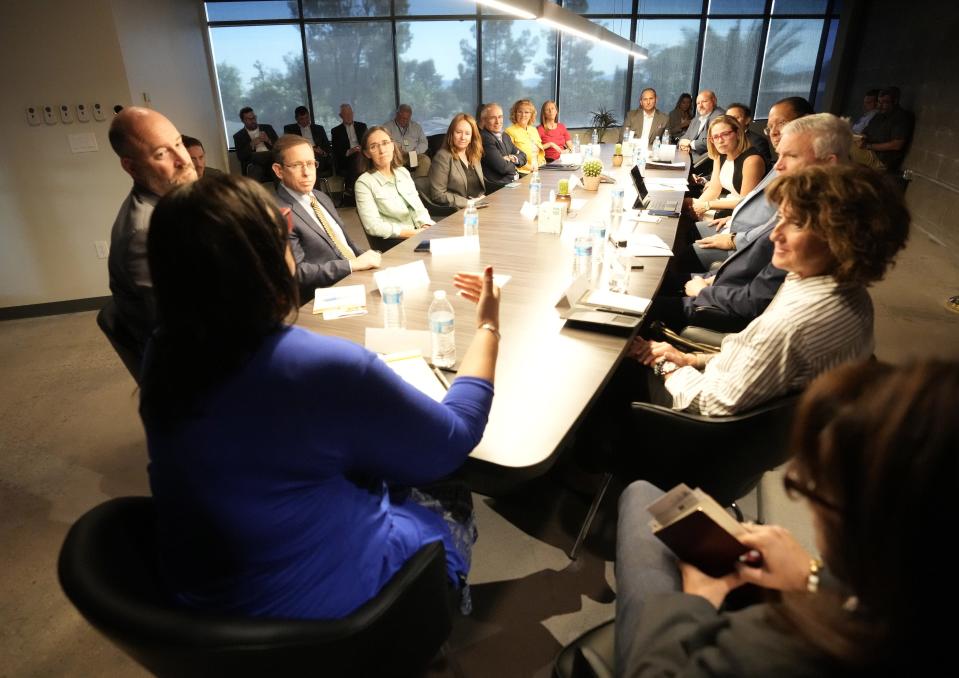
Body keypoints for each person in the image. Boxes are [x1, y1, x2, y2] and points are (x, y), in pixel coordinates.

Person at [141, 171, 502, 621]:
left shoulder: (161, 354)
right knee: (446, 490)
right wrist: (488, 325)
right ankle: (433, 624)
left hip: (207, 617)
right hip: (331, 629)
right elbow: (454, 440)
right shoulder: (318, 366)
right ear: (269, 262)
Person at [615, 358, 959, 675]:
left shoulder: (769, 651)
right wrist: (812, 577)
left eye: (818, 489)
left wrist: (697, 599)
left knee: (640, 495)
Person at [629, 163, 909, 418]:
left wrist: (664, 366)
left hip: (697, 427)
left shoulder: (796, 323)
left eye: (795, 223)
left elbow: (711, 402)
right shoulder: (848, 292)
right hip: (721, 382)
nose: (775, 235)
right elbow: (759, 363)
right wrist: (692, 358)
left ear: (844, 238)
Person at [650, 98, 818, 332]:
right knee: (660, 281)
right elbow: (753, 208)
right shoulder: (789, 224)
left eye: (783, 124)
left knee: (653, 300)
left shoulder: (801, 231)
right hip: (729, 264)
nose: (778, 167)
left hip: (726, 291)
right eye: (771, 127)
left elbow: (752, 300)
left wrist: (707, 287)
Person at [106, 107, 197, 373]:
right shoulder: (146, 232)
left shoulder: (174, 202)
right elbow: (184, 329)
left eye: (179, 143)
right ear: (131, 167)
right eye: (161, 154)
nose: (183, 159)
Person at [271, 134, 380, 300]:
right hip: (325, 294)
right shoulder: (279, 212)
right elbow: (298, 272)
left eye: (310, 164)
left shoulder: (320, 197)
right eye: (297, 165)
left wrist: (367, 256)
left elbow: (344, 243)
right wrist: (351, 265)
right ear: (279, 170)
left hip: (355, 277)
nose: (307, 172)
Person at [354, 126, 434, 249]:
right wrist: (415, 234)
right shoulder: (364, 183)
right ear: (367, 153)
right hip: (396, 243)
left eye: (385, 143)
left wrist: (426, 226)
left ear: (392, 145)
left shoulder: (403, 172)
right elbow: (373, 226)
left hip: (420, 236)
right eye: (374, 146)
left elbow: (418, 208)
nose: (382, 150)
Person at [689, 115, 765, 228]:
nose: (720, 140)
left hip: (739, 213)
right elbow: (714, 189)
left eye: (725, 134)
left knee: (686, 213)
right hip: (725, 203)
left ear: (738, 134)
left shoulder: (752, 160)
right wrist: (697, 208)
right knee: (686, 204)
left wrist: (706, 205)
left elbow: (744, 202)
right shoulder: (720, 156)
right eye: (715, 137)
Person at [429, 113, 485, 209]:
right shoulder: (443, 157)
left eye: (467, 133)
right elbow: (437, 195)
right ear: (451, 133)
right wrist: (468, 203)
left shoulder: (474, 154)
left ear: (472, 137)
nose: (463, 137)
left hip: (481, 205)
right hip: (460, 211)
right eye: (458, 132)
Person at [858, 86, 914, 172]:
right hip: (868, 152)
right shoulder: (878, 115)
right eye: (879, 102)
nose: (880, 106)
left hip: (881, 161)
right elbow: (865, 131)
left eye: (885, 103)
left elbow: (897, 145)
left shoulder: (901, 118)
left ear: (895, 101)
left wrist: (869, 146)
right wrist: (861, 138)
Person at [479, 103, 526, 193]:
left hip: (513, 182)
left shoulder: (505, 136)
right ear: (484, 120)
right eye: (493, 118)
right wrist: (513, 159)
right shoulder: (485, 138)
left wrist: (511, 158)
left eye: (500, 117)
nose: (498, 121)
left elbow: (523, 156)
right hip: (499, 187)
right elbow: (503, 167)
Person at [383, 103, 431, 177]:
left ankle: (417, 182)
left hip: (412, 155)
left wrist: (416, 151)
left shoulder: (416, 127)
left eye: (407, 118)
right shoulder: (387, 127)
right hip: (396, 155)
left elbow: (424, 143)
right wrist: (395, 149)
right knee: (390, 164)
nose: (405, 120)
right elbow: (384, 143)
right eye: (402, 118)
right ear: (397, 115)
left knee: (425, 161)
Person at [283, 105, 332, 176]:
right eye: (302, 119)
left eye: (307, 118)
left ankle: (311, 185)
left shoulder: (319, 128)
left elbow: (327, 147)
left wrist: (322, 152)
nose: (305, 121)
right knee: (310, 164)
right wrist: (311, 149)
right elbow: (289, 147)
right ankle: (315, 186)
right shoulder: (290, 129)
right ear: (296, 119)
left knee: (313, 161)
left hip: (319, 156)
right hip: (300, 157)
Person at [330, 103, 368, 196]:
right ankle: (358, 192)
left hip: (362, 155)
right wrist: (350, 151)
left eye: (350, 113)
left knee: (359, 155)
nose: (349, 116)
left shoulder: (362, 126)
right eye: (346, 114)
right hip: (346, 158)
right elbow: (336, 150)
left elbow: (368, 143)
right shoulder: (336, 131)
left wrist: (361, 149)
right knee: (357, 157)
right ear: (340, 116)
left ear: (353, 113)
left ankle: (350, 188)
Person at [678, 90, 724, 165]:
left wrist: (690, 144)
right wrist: (682, 143)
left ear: (714, 101)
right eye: (698, 103)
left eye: (704, 101)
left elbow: (713, 140)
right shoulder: (696, 119)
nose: (700, 106)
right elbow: (686, 136)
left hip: (706, 162)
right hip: (689, 158)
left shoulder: (719, 116)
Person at [233, 107, 278, 181]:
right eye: (249, 119)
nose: (253, 120)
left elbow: (279, 147)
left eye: (254, 117)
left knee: (277, 167)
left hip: (271, 160)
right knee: (255, 169)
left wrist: (268, 140)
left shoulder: (267, 128)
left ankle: (282, 191)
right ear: (243, 120)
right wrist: (251, 144)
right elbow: (240, 157)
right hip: (254, 163)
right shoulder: (238, 136)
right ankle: (252, 192)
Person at [725, 102, 772, 170]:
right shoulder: (723, 139)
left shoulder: (757, 141)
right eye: (729, 118)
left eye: (736, 118)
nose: (732, 121)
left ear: (747, 120)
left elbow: (761, 168)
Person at [504, 99, 545, 173]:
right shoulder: (509, 131)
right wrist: (531, 168)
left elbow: (539, 152)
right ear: (515, 113)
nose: (523, 115)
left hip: (539, 168)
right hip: (522, 172)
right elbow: (510, 157)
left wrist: (541, 165)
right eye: (520, 112)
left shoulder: (533, 130)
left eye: (527, 112)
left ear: (531, 115)